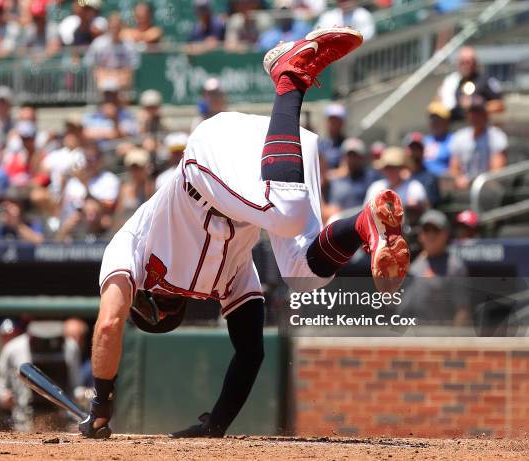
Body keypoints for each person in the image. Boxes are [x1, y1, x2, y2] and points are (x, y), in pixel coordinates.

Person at [79, 27, 409, 439]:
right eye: (157, 316)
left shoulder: (128, 245)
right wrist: (214, 425)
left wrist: (100, 406)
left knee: (285, 216)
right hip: (276, 157)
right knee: (303, 274)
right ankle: (364, 224)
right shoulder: (232, 276)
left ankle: (290, 80)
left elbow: (109, 324)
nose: (156, 311)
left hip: (211, 160)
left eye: (147, 313)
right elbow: (251, 352)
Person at [400, 210, 471, 326]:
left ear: (446, 234)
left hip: (442, 339)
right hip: (415, 338)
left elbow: (462, 311)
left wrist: (454, 341)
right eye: (427, 230)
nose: (431, 235)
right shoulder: (414, 267)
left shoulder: (455, 267)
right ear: (421, 235)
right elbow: (405, 310)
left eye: (436, 230)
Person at [449, 95, 507, 190]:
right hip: (463, 189)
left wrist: (477, 184)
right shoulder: (459, 137)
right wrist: (458, 179)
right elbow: (454, 168)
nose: (475, 116)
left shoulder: (497, 136)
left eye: (479, 112)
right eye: (472, 112)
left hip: (487, 189)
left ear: (485, 114)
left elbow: (497, 172)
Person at [437, 46, 505, 121]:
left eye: (468, 62)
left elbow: (500, 105)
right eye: (462, 62)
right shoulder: (455, 82)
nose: (465, 66)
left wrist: (479, 106)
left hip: (480, 127)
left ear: (475, 63)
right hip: (459, 126)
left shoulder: (486, 81)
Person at [324, 137, 379, 220]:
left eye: (356, 156)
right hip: (337, 224)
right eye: (349, 155)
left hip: (362, 223)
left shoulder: (371, 177)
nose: (352, 159)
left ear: (362, 157)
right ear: (343, 157)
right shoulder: (334, 180)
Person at [84, 13, 138, 91]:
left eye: (117, 27)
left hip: (122, 79)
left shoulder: (129, 44)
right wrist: (103, 75)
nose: (115, 30)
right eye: (112, 27)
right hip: (102, 78)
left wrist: (119, 76)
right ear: (108, 27)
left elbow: (132, 67)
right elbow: (90, 64)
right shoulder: (98, 43)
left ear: (121, 27)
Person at [365, 146, 428, 210]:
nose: (390, 171)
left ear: (401, 168)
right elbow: (366, 211)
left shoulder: (414, 187)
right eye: (387, 167)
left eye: (394, 167)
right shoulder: (376, 187)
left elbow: (423, 207)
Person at [403, 132, 440, 207]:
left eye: (418, 148)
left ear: (423, 151)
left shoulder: (430, 177)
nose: (414, 152)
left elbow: (431, 203)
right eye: (412, 148)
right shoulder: (397, 174)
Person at [423, 101, 453, 177]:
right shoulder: (426, 141)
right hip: (425, 181)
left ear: (446, 121)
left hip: (444, 181)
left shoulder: (453, 140)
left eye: (438, 120)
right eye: (432, 120)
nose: (435, 123)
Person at [317, 103, 347, 173]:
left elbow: (345, 170)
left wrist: (327, 176)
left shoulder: (347, 144)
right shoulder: (320, 144)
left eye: (337, 121)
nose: (334, 124)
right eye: (331, 120)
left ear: (342, 123)